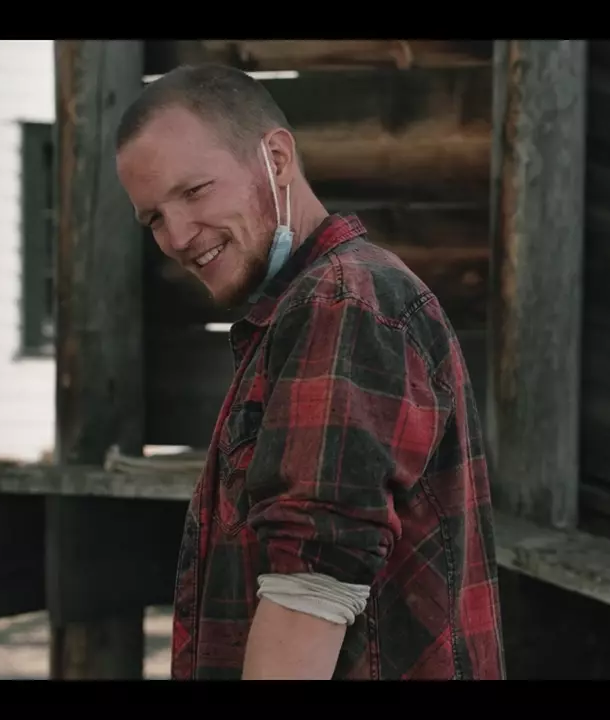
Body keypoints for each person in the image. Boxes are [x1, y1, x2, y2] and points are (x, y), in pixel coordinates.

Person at [113, 63, 505, 680]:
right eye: (154, 218)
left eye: (194, 191)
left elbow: (311, 590)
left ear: (276, 157)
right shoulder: (315, 304)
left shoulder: (341, 303)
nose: (179, 236)